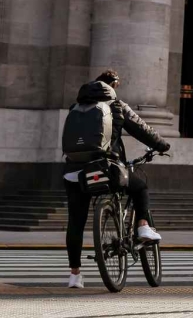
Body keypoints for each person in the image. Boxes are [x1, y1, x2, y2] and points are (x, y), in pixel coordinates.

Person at [60, 71, 169, 289]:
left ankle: (74, 275)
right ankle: (143, 226)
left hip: (74, 173)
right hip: (106, 169)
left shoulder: (75, 108)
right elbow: (142, 129)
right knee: (140, 186)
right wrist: (162, 146)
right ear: (112, 86)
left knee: (76, 222)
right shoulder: (116, 105)